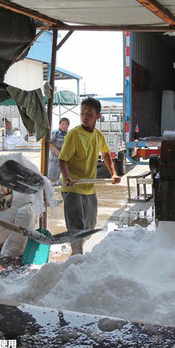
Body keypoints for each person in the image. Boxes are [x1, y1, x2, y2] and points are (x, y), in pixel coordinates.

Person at [59, 98, 121, 255]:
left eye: (89, 113)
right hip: (72, 186)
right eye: (82, 113)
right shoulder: (74, 134)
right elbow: (63, 159)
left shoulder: (98, 135)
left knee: (90, 226)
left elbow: (106, 153)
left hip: (88, 187)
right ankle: (76, 256)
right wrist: (67, 177)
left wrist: (113, 173)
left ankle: (77, 248)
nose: (84, 117)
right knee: (77, 227)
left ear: (97, 116)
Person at [48, 117, 70, 182]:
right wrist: (56, 150)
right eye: (62, 124)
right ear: (59, 124)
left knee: (65, 177)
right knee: (53, 177)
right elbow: (49, 143)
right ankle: (52, 190)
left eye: (66, 124)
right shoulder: (55, 133)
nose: (64, 126)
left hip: (64, 159)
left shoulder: (69, 134)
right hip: (54, 158)